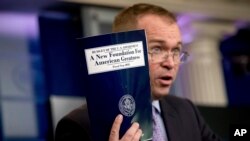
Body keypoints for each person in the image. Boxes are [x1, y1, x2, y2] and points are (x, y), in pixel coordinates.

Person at [55, 3, 222, 141]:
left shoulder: (186, 110)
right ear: (122, 50)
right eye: (157, 49)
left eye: (176, 51)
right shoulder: (78, 125)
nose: (171, 63)